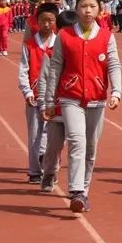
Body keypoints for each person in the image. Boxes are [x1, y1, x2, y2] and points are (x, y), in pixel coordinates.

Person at [42, 0, 122, 213]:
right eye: (83, 6)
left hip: (97, 99)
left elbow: (114, 65)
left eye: (92, 6)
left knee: (90, 148)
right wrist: (50, 100)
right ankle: (76, 191)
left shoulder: (107, 37)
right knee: (77, 141)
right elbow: (55, 67)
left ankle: (84, 191)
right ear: (76, 8)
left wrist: (116, 91)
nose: (88, 11)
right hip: (70, 98)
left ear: (100, 9)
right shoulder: (65, 35)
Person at [18, 3, 59, 183]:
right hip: (34, 97)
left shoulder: (59, 43)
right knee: (35, 134)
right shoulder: (29, 44)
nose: (47, 24)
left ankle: (50, 167)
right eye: (43, 20)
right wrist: (27, 92)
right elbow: (23, 70)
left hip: (53, 98)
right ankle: (34, 171)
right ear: (37, 21)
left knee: (54, 136)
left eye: (51, 20)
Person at [39, 10, 78, 193]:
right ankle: (48, 173)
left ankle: (76, 185)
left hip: (77, 107)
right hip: (56, 108)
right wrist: (45, 103)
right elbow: (44, 79)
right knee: (53, 147)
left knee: (76, 147)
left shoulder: (81, 52)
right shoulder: (50, 52)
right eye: (66, 31)